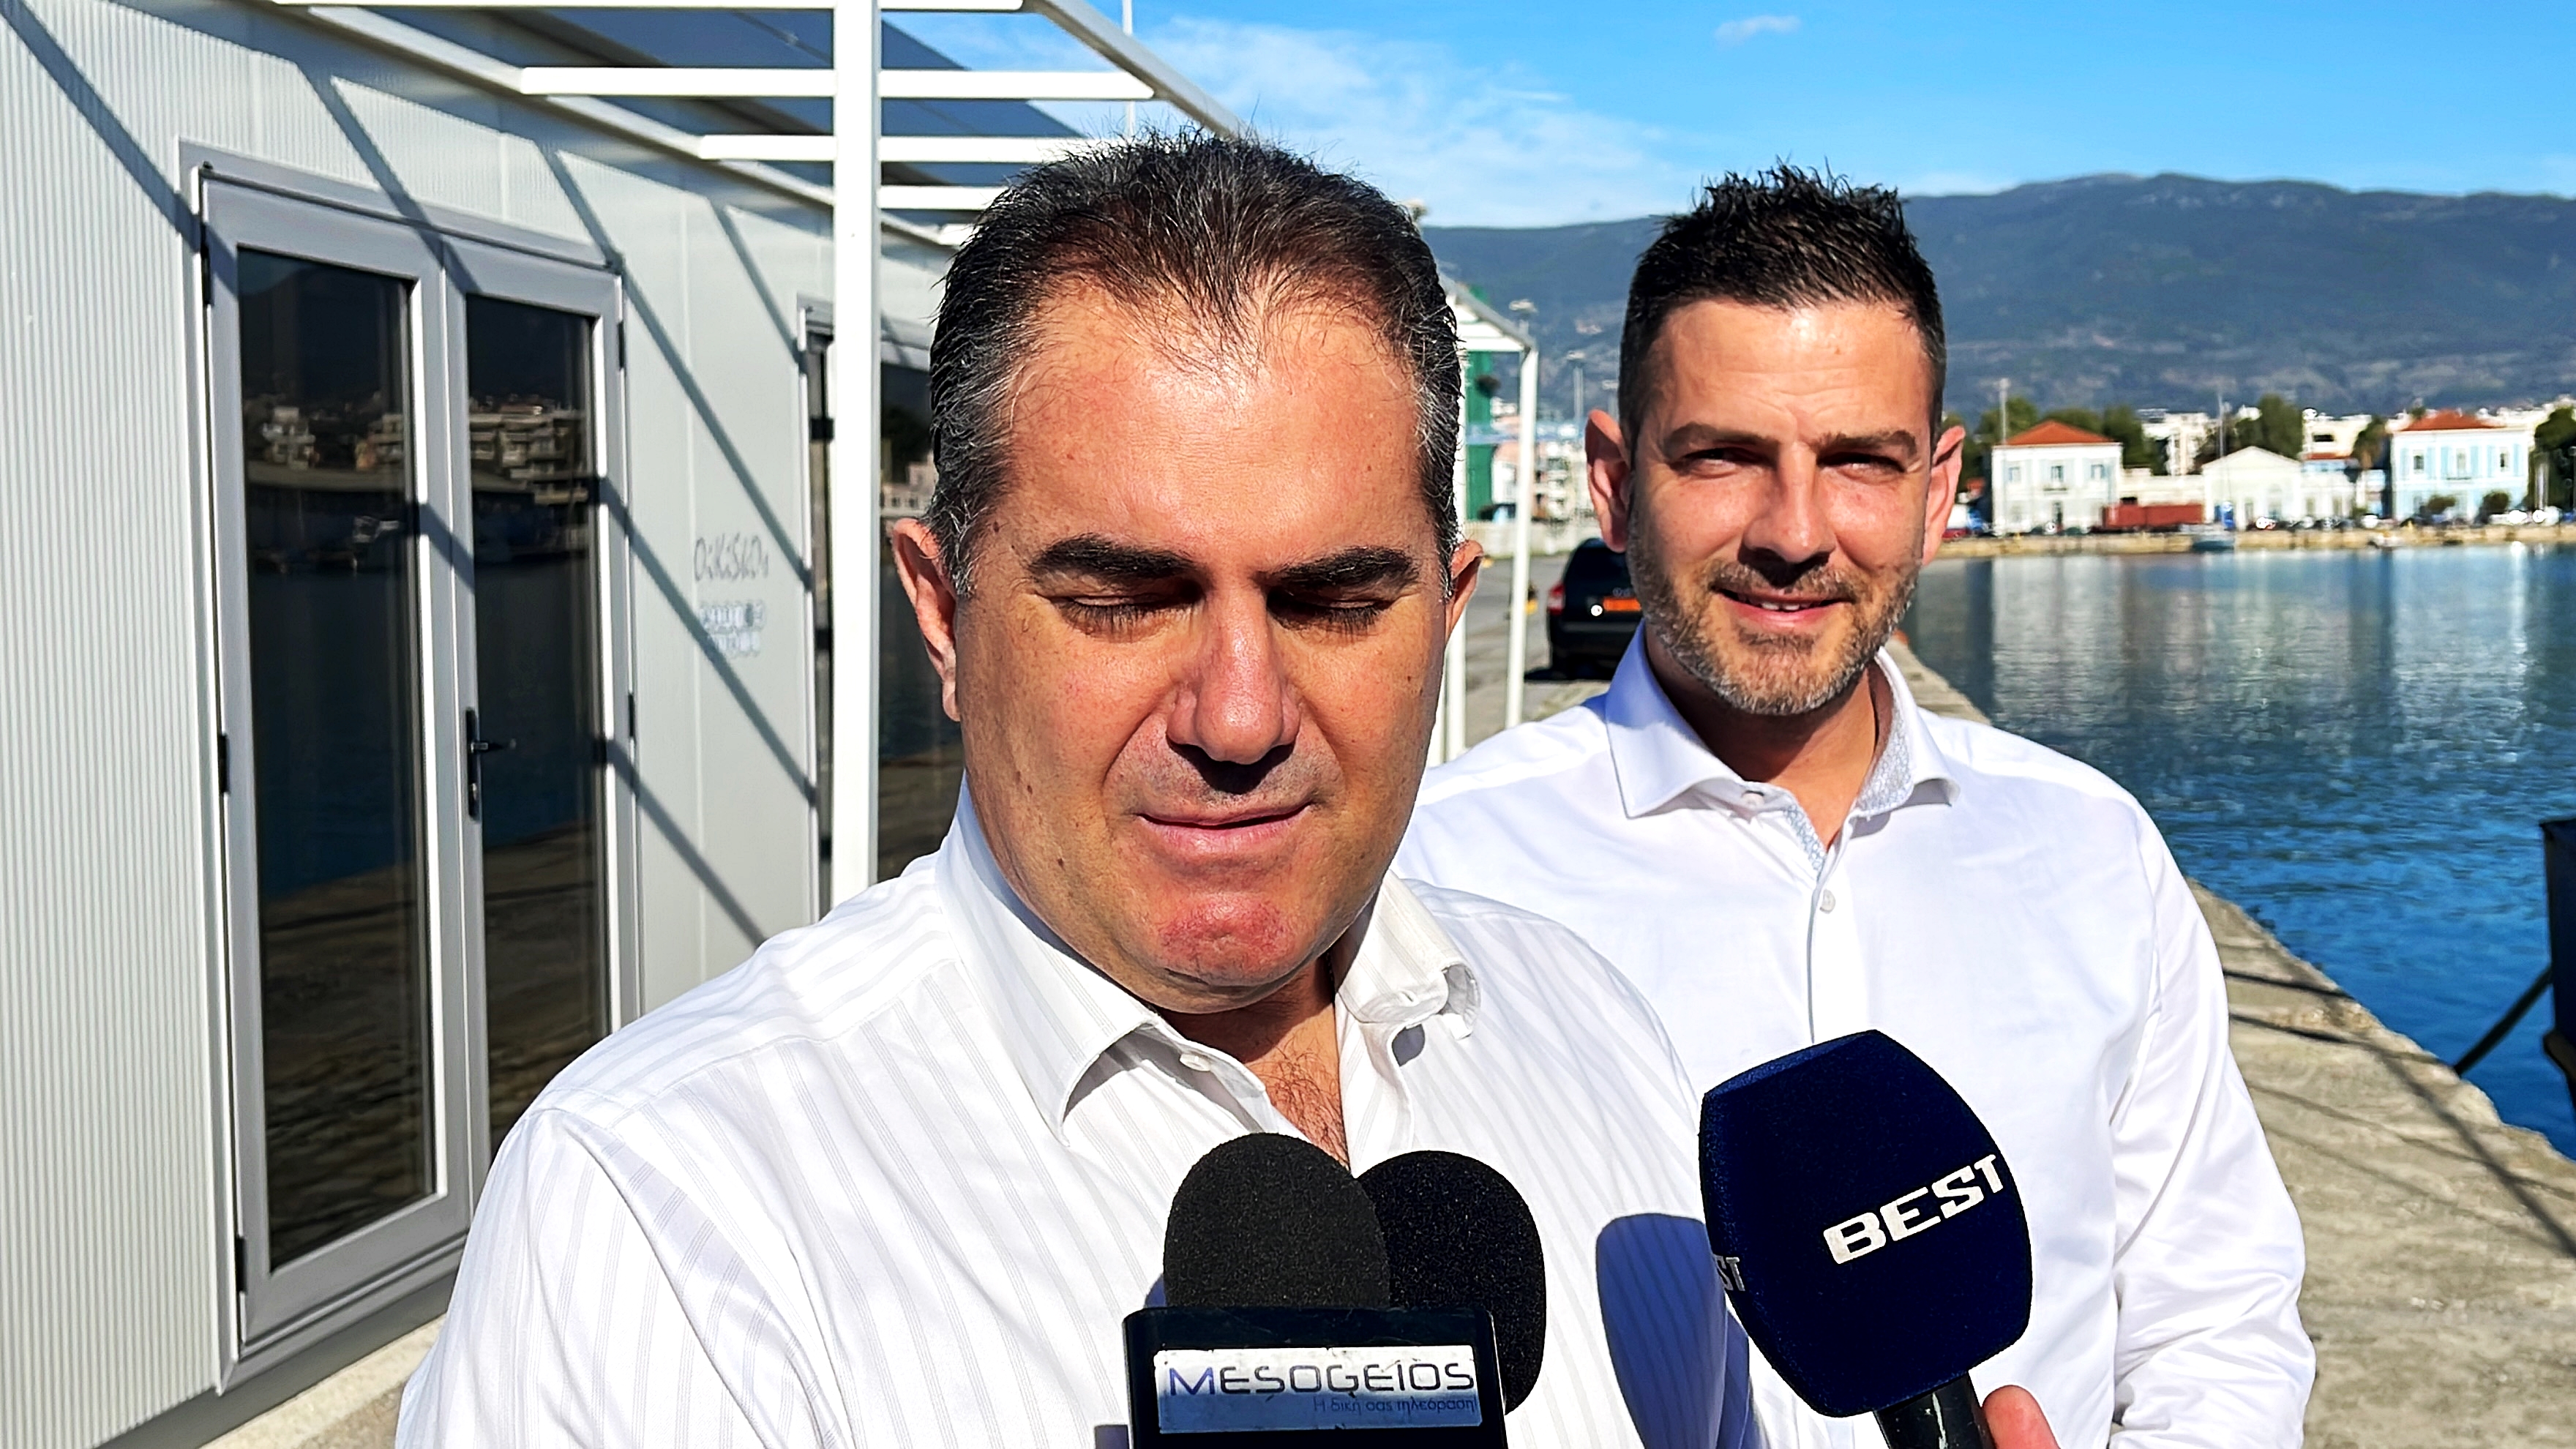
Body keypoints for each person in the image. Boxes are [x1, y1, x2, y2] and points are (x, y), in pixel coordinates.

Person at [400, 135, 1771, 1448]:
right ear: (942, 616)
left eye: (1333, 603)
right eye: (1122, 600)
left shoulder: (1593, 1032)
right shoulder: (658, 1220)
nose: (1239, 717)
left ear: (1448, 612)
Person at [1399, 168, 2312, 1449]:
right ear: (1613, 481)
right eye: (1724, 457)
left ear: (1936, 490)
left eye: (1859, 463)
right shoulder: (1433, 875)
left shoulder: (2092, 851)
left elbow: (2216, 1317)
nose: (1795, 532)